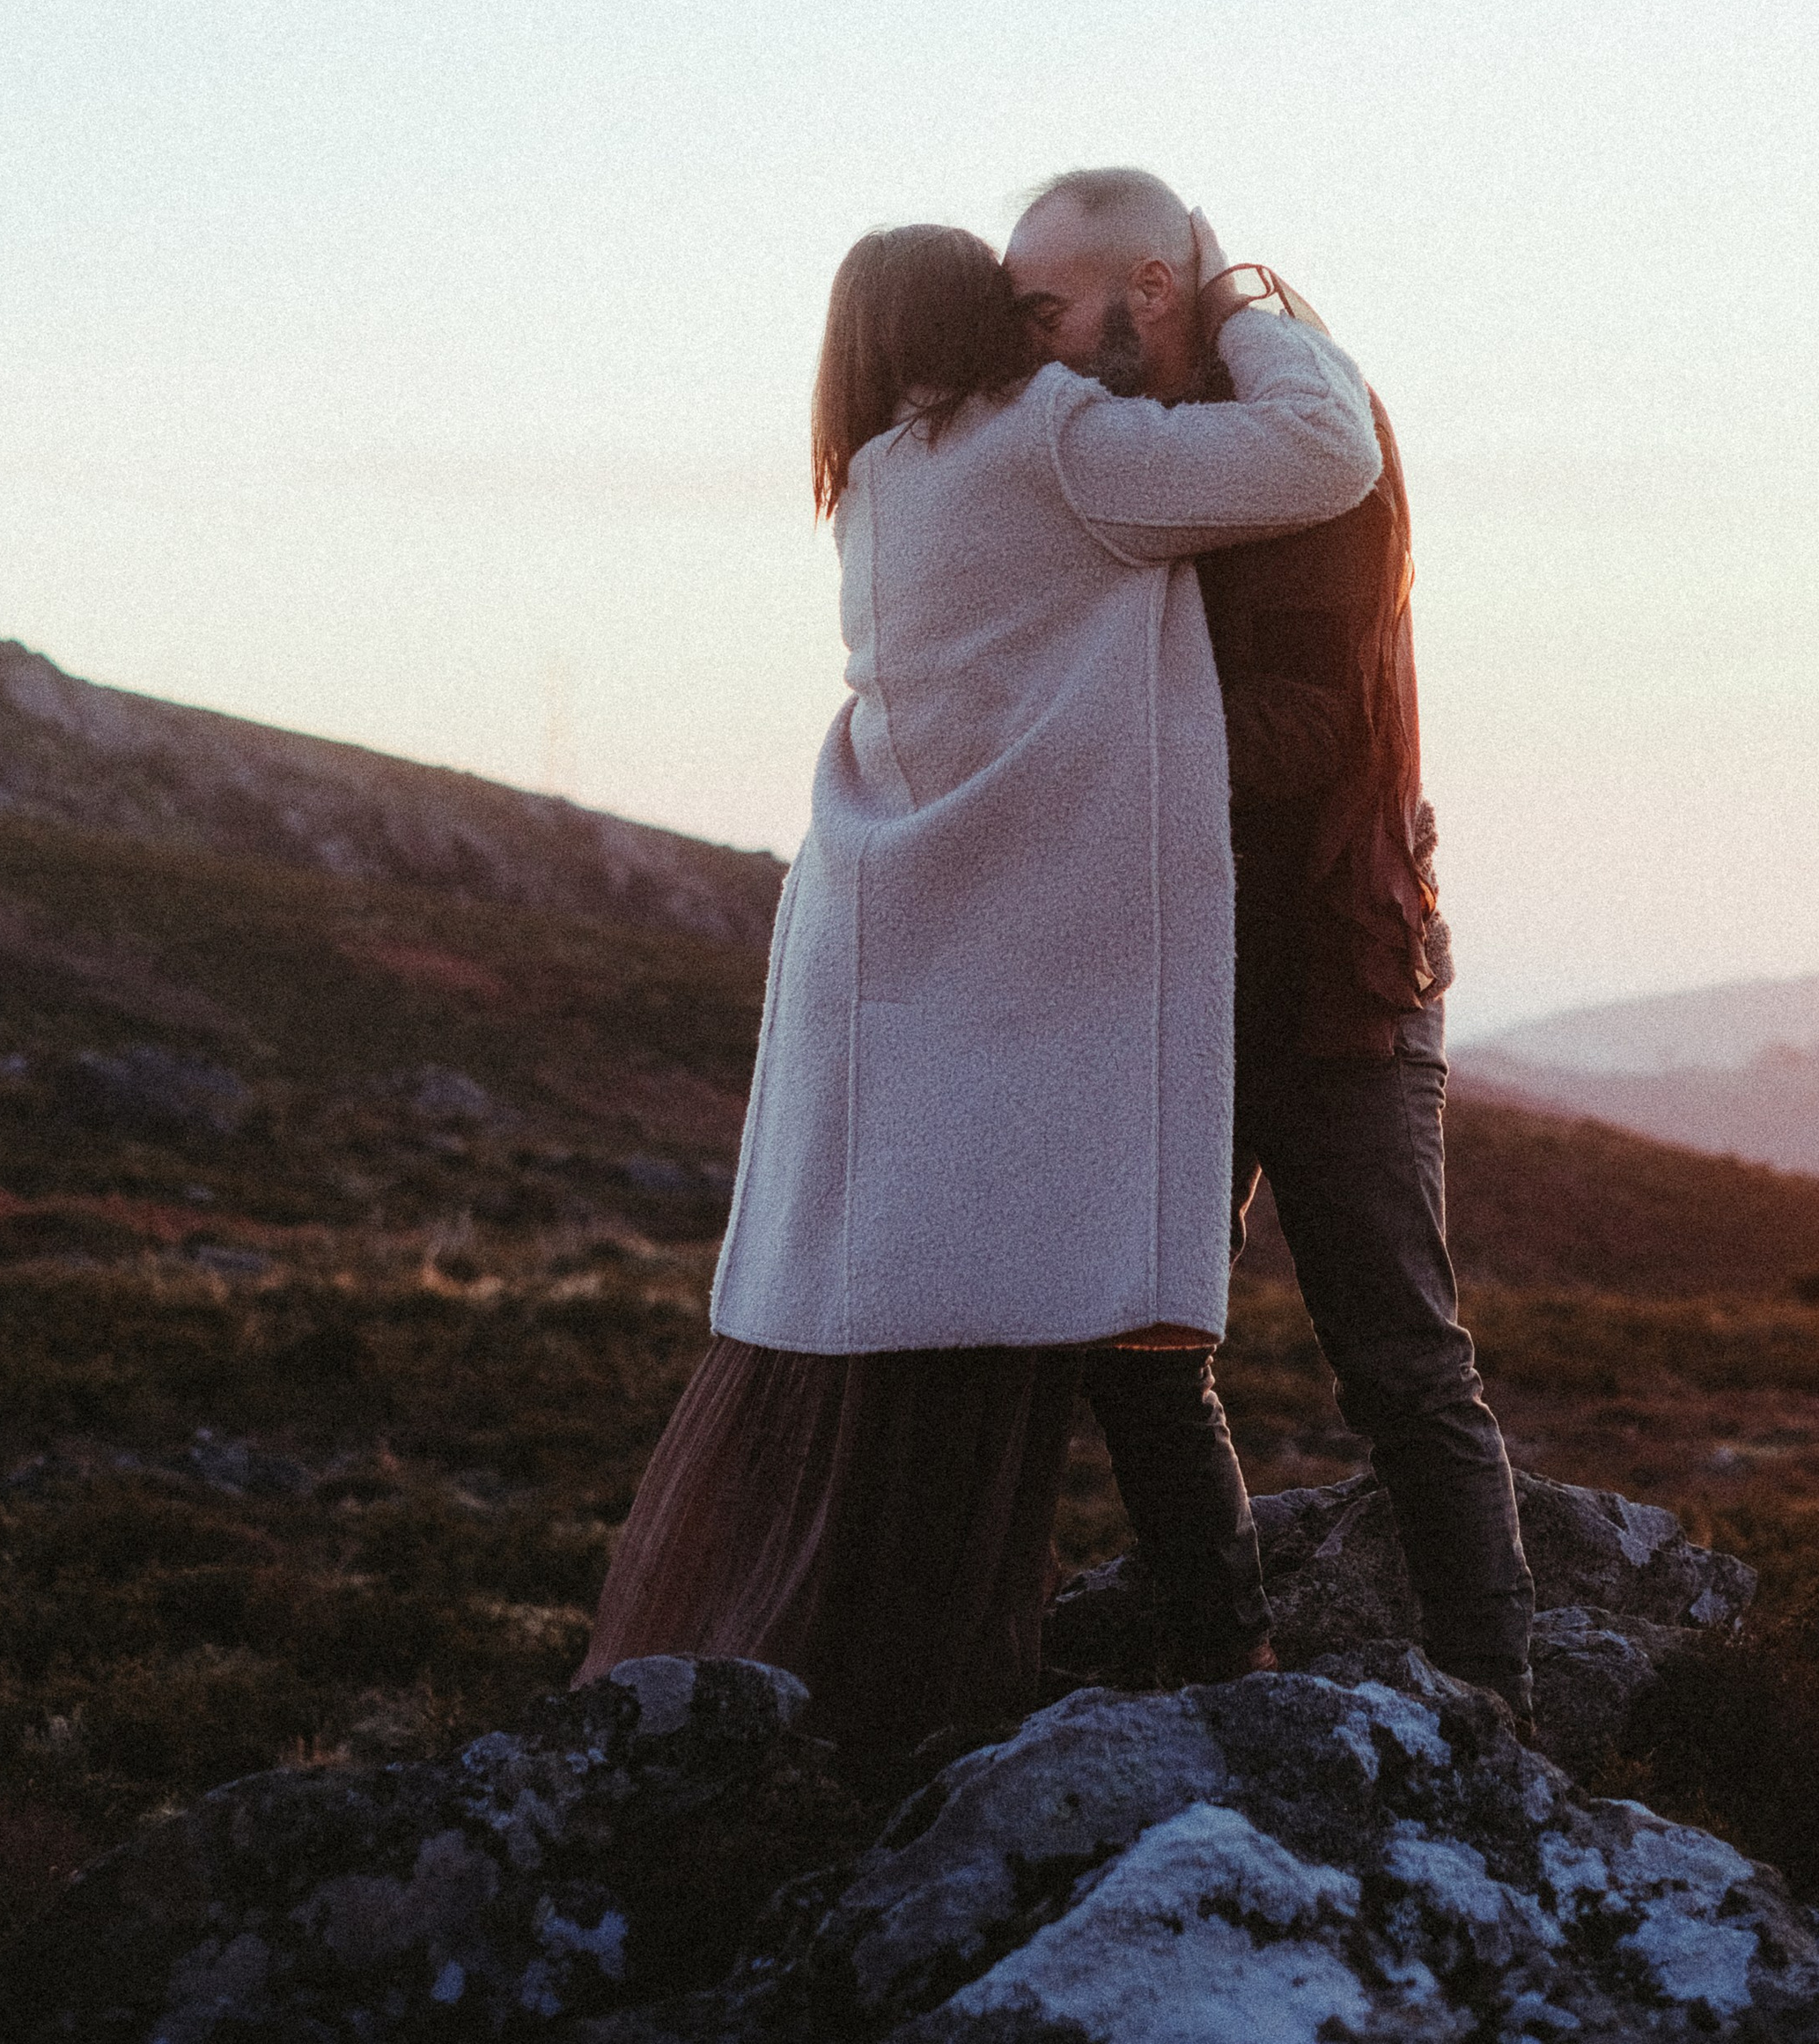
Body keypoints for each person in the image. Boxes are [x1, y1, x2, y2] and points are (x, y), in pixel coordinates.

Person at [578, 213, 1381, 1767]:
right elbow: (1319, 450)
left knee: (939, 1350)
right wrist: (1244, 301)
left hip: (894, 973)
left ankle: (877, 1697)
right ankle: (1203, 1656)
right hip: (1028, 983)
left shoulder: (876, 482)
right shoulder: (1055, 446)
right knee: (1117, 1323)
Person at [1005, 170, 1536, 1710]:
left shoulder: (1313, 442)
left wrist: (1072, 748)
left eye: (1048, 311)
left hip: (1330, 965)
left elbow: (1309, 723)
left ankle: (1495, 1708)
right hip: (1178, 965)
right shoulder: (1152, 445)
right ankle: (1221, 1656)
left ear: (1148, 295)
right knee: (1142, 1339)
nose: (1033, 347)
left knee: (1397, 1355)